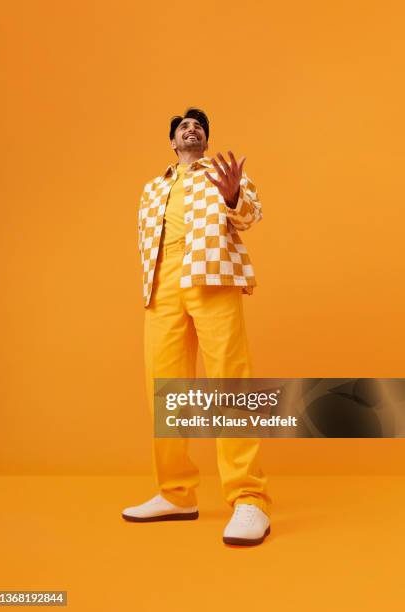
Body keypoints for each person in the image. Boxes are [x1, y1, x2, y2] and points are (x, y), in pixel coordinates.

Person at [122, 108, 272, 546]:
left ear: (205, 139)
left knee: (229, 380)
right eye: (183, 126)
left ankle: (249, 499)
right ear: (173, 142)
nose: (192, 129)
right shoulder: (153, 188)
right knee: (165, 387)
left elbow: (248, 218)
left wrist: (232, 197)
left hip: (211, 275)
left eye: (198, 126)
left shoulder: (225, 175)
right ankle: (175, 493)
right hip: (162, 283)